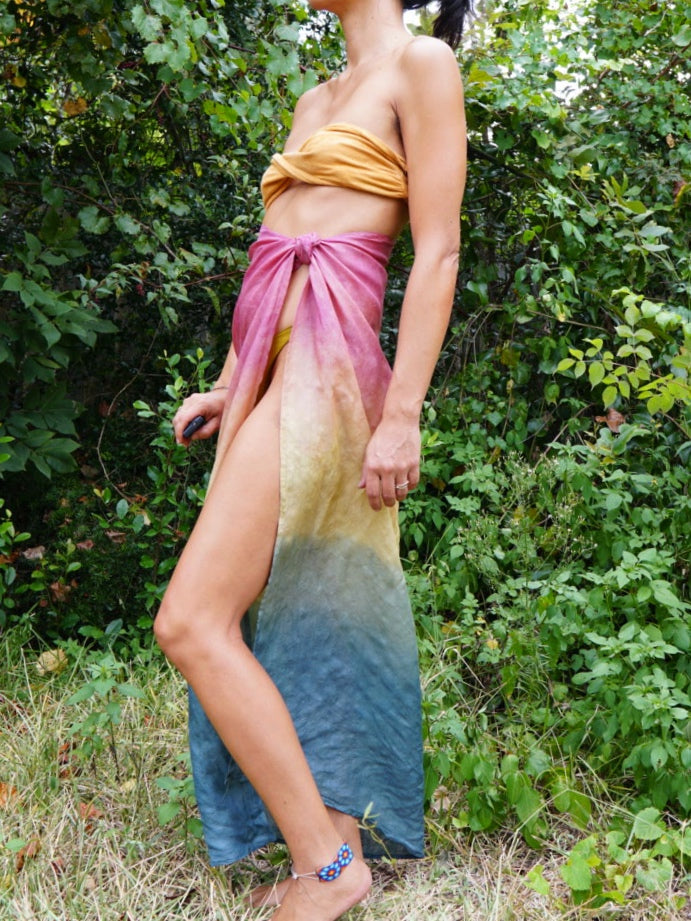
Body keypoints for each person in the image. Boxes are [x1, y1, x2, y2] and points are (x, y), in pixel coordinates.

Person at [153, 0, 469, 918]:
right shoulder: (313, 99)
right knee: (301, 613)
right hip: (272, 369)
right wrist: (228, 382)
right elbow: (275, 257)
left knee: (191, 620)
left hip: (332, 371)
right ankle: (330, 847)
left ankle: (329, 867)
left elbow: (438, 252)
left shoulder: (421, 65)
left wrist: (401, 414)